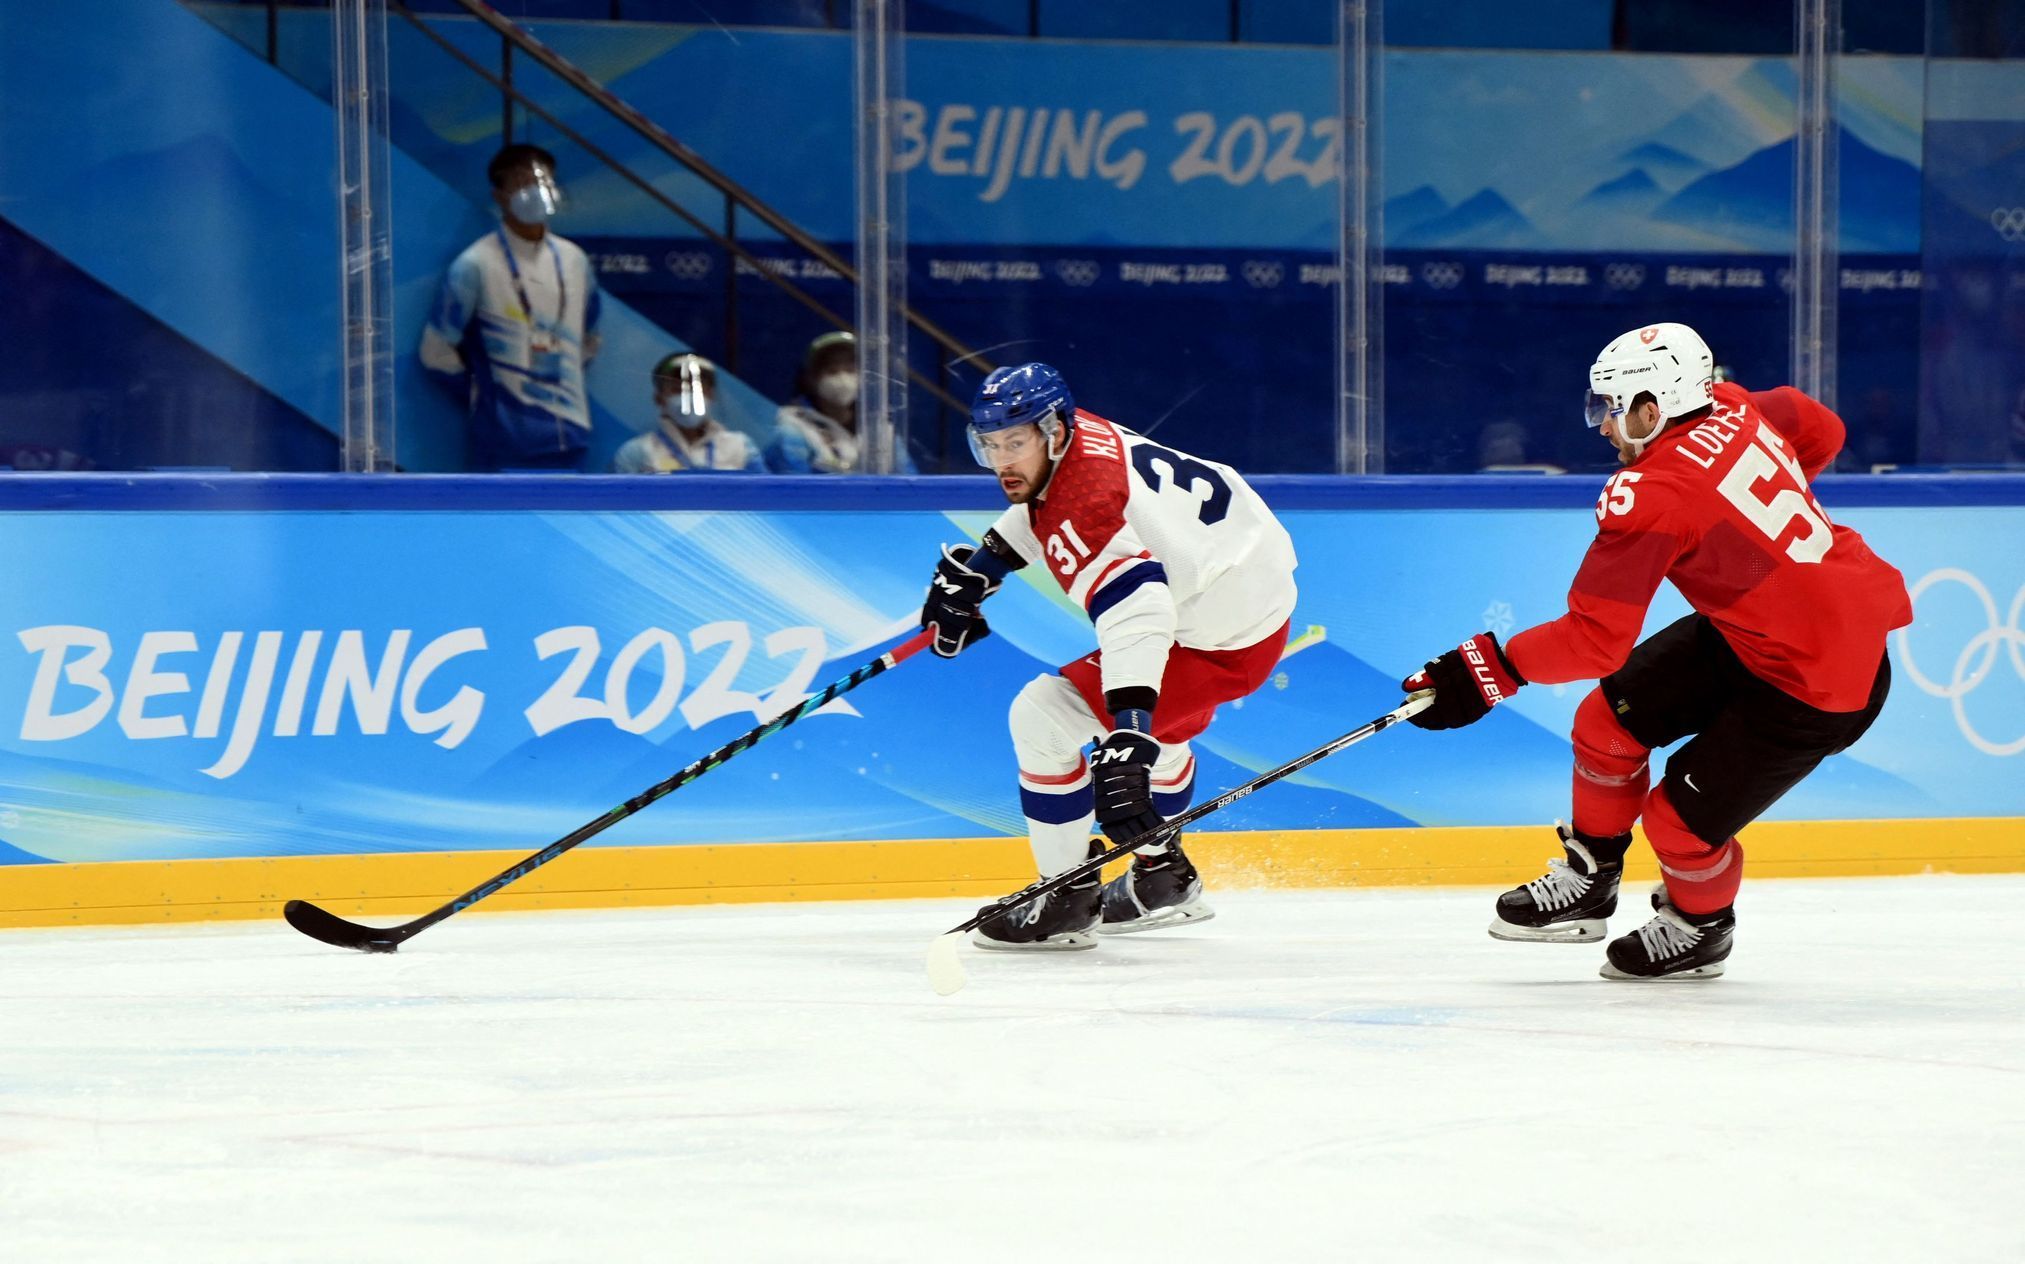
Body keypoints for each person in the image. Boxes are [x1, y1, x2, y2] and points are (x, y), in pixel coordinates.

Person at [1400, 322, 1910, 981]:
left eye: (1610, 410)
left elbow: (1593, 639)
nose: (1602, 428)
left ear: (1652, 408)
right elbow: (1820, 428)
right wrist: (1745, 525)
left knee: (1676, 826)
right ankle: (1590, 880)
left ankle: (1699, 928)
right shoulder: (1730, 403)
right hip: (1758, 632)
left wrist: (1482, 672)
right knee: (1603, 724)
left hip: (1821, 682)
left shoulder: (1653, 495)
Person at [918, 363, 1298, 950]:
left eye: (1013, 443)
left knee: (1043, 716)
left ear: (1053, 431)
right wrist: (984, 567)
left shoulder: (1086, 502)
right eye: (989, 445)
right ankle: (1162, 876)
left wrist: (1128, 733)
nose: (1001, 462)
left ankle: (1064, 897)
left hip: (1214, 634)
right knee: (1161, 740)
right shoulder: (1074, 440)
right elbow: (1041, 501)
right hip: (1238, 600)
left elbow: (1138, 615)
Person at [421, 143, 603, 471]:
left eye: (542, 181)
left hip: (570, 436)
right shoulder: (475, 264)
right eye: (521, 182)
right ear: (499, 195)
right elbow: (435, 350)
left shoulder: (575, 260)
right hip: (503, 441)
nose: (533, 191)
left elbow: (590, 335)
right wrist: (483, 395)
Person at [764, 331, 917, 474]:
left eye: (850, 370)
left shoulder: (881, 432)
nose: (843, 379)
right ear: (811, 379)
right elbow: (791, 496)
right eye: (832, 371)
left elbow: (912, 489)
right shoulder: (793, 431)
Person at [612, 353, 764, 473]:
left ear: (711, 394)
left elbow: (767, 503)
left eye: (697, 388)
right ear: (659, 399)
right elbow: (617, 508)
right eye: (677, 389)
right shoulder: (637, 453)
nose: (689, 397)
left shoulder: (741, 448)